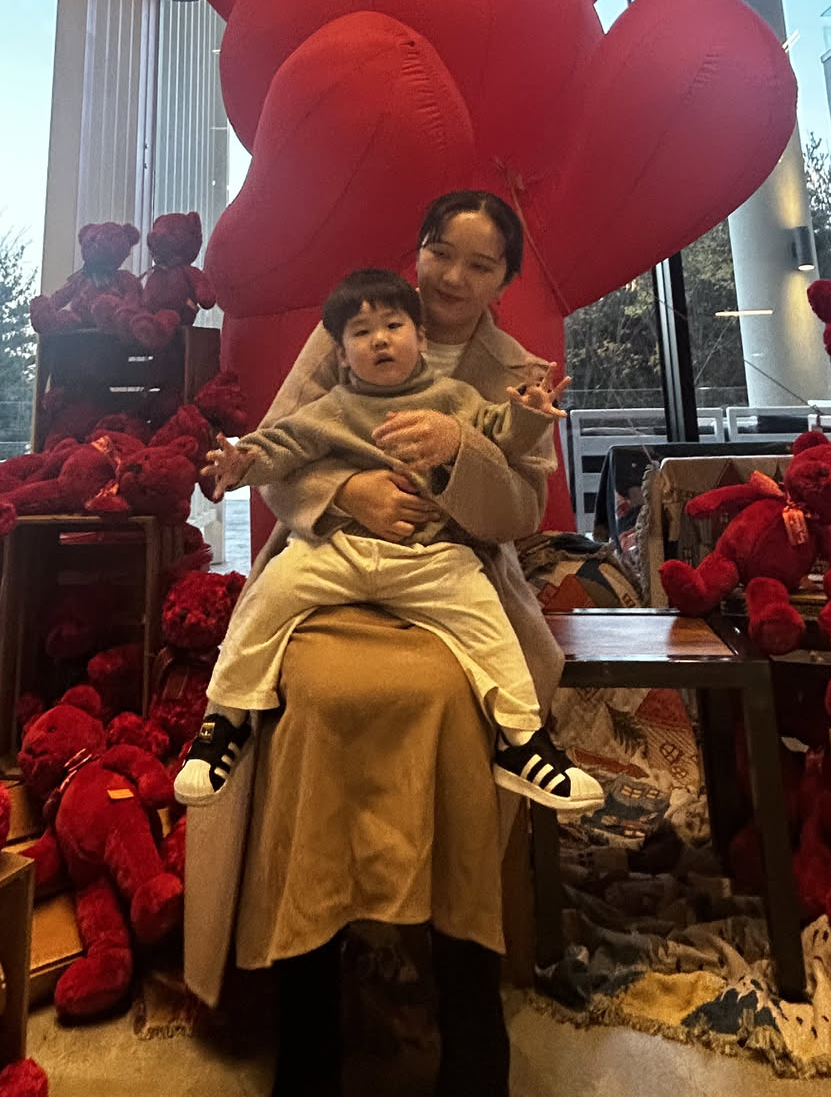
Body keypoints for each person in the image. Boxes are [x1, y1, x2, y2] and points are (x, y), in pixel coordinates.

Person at [183, 189, 569, 1097]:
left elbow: (521, 508)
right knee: (311, 700)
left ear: (505, 280)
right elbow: (278, 450)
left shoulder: (515, 371)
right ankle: (307, 1010)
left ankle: (469, 1009)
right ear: (418, 248)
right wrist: (345, 492)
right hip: (328, 564)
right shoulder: (354, 323)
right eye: (441, 252)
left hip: (454, 577)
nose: (453, 277)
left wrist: (458, 446)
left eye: (481, 265)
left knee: (456, 706)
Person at [176, 265, 603, 815]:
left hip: (431, 557)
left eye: (393, 326)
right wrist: (243, 463)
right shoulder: (331, 409)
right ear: (340, 354)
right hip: (340, 550)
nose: (379, 339)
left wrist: (529, 416)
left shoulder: (454, 398)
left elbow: (501, 432)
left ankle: (522, 740)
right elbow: (282, 444)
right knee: (267, 597)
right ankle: (224, 721)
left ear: (421, 337)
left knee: (488, 618)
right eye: (361, 332)